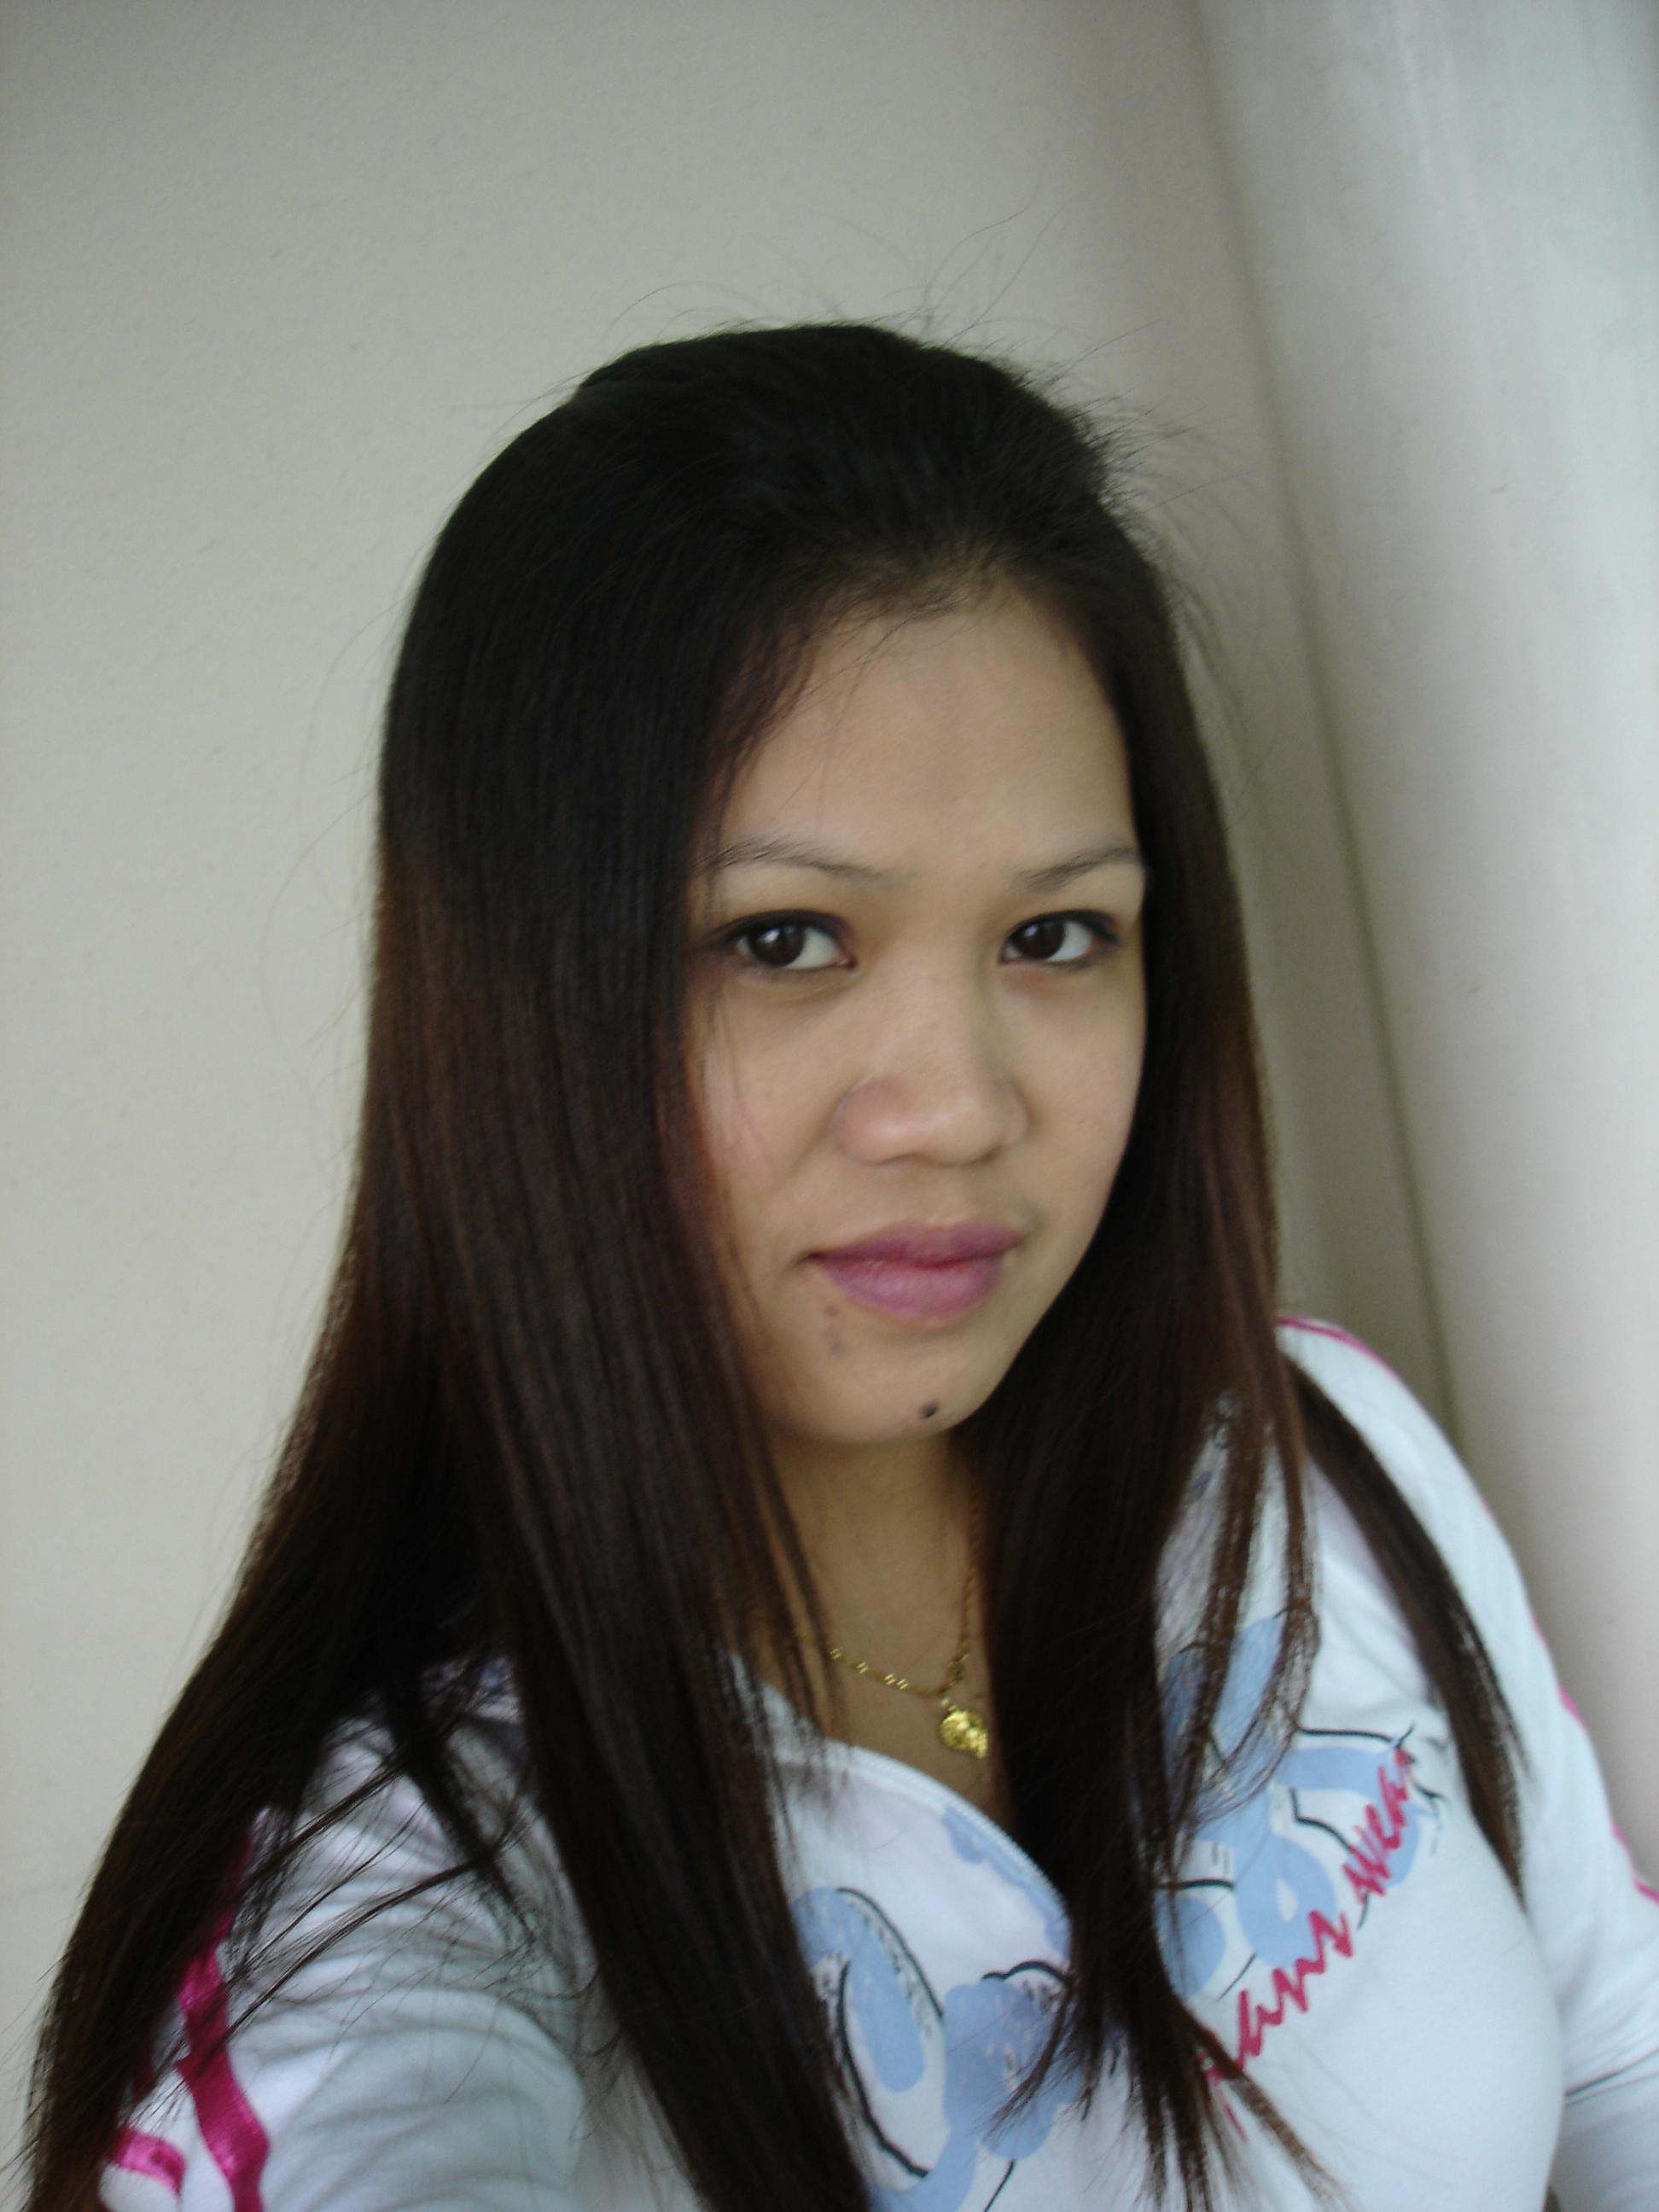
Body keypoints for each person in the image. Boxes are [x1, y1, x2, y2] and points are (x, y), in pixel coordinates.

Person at [21, 323, 1658, 2212]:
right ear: (519, 1003)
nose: (956, 1109)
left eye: (1055, 935)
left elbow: (1618, 2056)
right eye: (783, 941)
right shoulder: (419, 1881)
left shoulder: (1313, 1448)